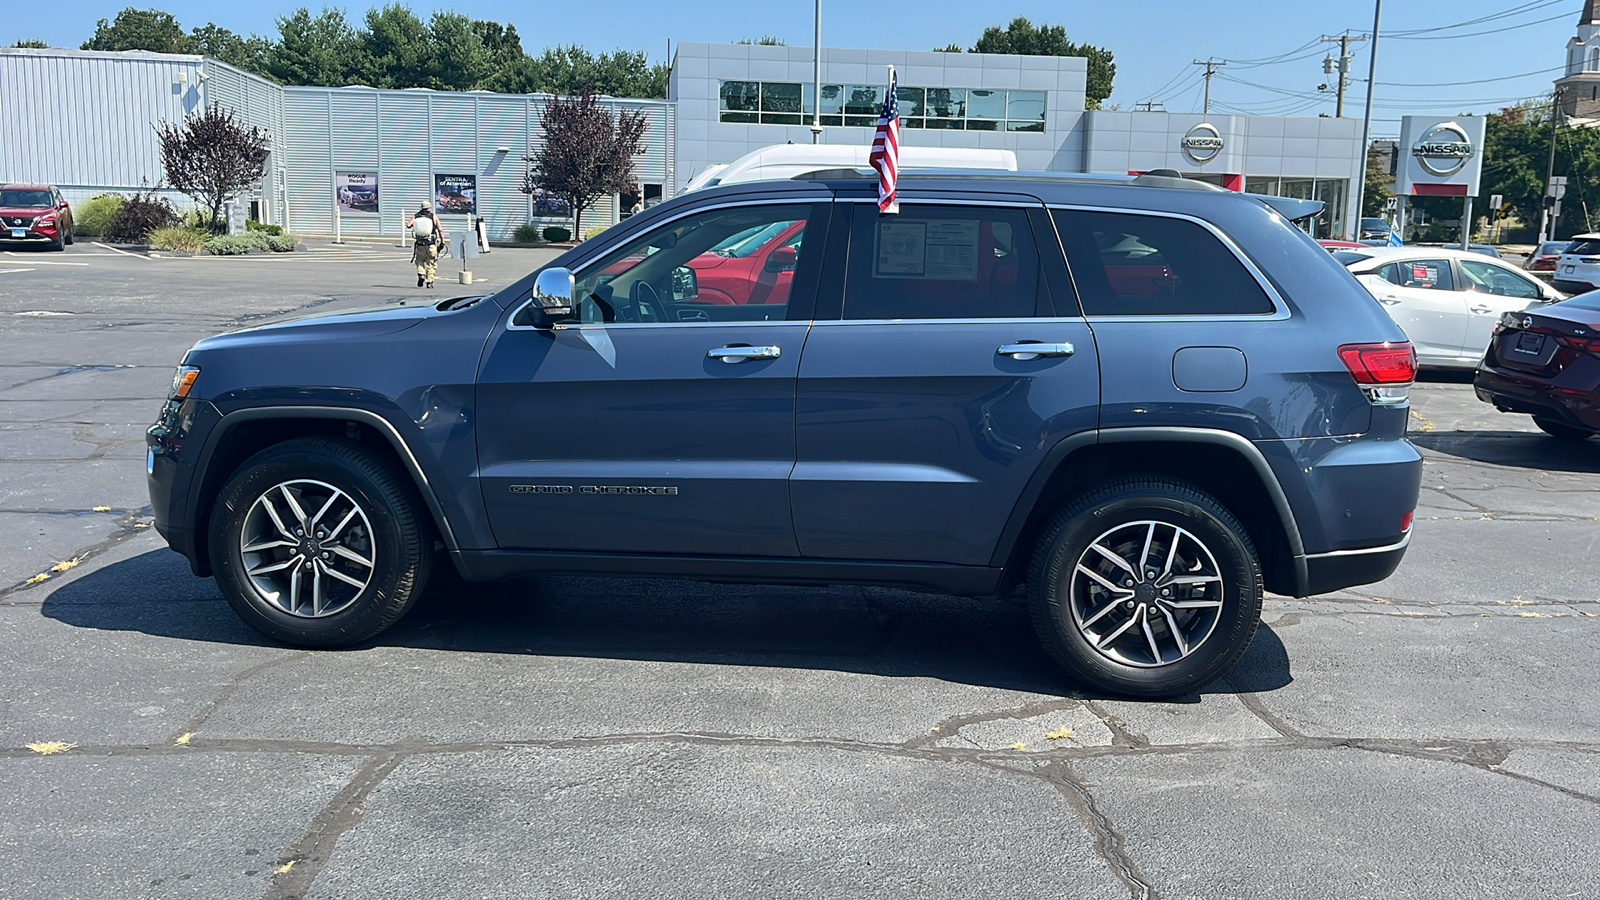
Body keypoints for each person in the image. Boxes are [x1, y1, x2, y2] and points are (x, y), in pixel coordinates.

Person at [405, 201, 445, 289]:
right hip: (431, 244)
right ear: (429, 207)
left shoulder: (416, 216)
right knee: (431, 263)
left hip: (420, 244)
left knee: (419, 261)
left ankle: (421, 274)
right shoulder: (433, 216)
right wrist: (442, 241)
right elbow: (440, 229)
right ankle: (429, 282)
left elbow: (408, 225)